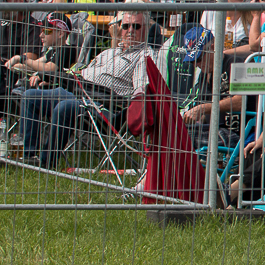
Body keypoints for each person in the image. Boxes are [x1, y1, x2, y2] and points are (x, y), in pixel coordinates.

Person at [20, 9, 160, 169]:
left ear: (146, 29)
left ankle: (45, 164)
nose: (130, 30)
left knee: (65, 107)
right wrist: (52, 78)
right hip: (78, 91)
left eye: (136, 26)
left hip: (105, 107)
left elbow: (141, 92)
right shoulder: (109, 52)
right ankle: (29, 157)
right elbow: (82, 73)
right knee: (30, 96)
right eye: (126, 26)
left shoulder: (145, 57)